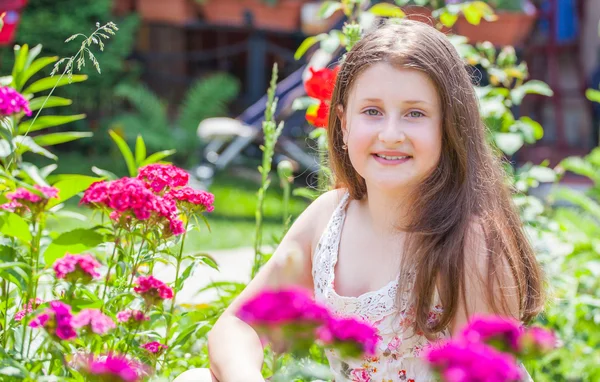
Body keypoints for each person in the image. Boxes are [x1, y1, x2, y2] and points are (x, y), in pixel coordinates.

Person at [175, 19, 545, 382]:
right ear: (344, 123)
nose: (391, 133)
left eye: (415, 113)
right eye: (372, 112)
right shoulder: (329, 218)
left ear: (450, 127)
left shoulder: (469, 241)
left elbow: (486, 371)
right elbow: (239, 325)